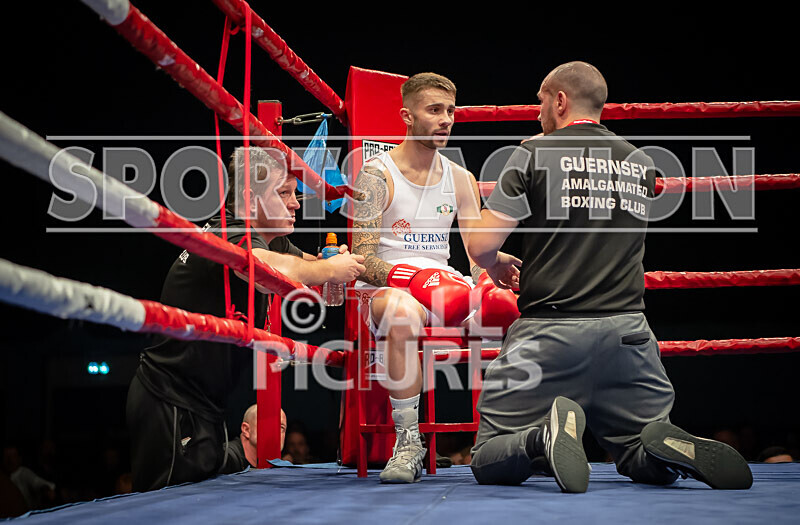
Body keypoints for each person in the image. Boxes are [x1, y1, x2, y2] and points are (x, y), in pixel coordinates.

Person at [465, 61, 753, 493]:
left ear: (560, 101)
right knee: (638, 448)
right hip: (630, 336)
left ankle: (540, 440)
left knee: (489, 454)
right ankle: (664, 449)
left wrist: (494, 263)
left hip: (549, 333)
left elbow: (481, 245)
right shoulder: (641, 163)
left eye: (541, 102)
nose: (537, 113)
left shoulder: (531, 154)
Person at [127, 146, 366, 492]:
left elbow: (306, 266)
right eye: (283, 193)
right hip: (170, 398)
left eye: (295, 194)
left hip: (203, 401)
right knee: (166, 506)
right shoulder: (229, 233)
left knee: (198, 504)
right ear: (251, 199)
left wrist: (332, 263)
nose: (296, 204)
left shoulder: (269, 241)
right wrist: (330, 269)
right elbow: (261, 267)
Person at [351, 72, 518, 483]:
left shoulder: (460, 177)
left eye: (450, 111)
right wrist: (416, 277)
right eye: (434, 110)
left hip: (446, 287)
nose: (445, 120)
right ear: (407, 116)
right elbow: (363, 258)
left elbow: (475, 254)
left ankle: (514, 437)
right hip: (387, 289)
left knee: (512, 312)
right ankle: (409, 443)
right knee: (402, 312)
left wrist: (490, 273)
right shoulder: (376, 174)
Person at [221, 404, 287, 473]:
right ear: (246, 430)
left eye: (281, 427)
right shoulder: (225, 459)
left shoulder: (278, 465)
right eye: (268, 424)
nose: (275, 432)